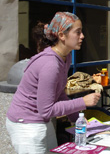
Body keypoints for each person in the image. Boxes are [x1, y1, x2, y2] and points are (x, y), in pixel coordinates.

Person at [6, 12, 101, 153]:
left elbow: (59, 93)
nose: (82, 36)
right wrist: (83, 102)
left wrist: (76, 118)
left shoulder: (65, 57)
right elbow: (46, 110)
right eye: (78, 32)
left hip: (41, 121)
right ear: (62, 35)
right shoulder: (50, 64)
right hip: (26, 125)